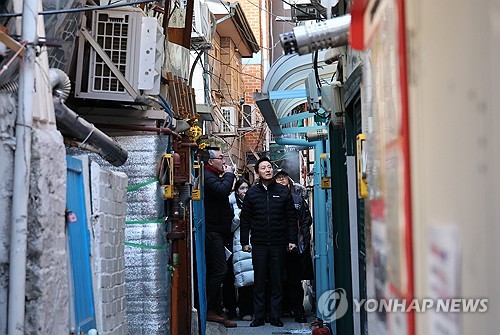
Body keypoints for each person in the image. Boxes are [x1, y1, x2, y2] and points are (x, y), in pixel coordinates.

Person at [240, 156, 297, 328]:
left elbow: (291, 218)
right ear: (257, 172)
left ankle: (275, 316)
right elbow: (245, 219)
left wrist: (292, 240)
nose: (268, 170)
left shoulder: (283, 191)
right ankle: (259, 316)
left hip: (279, 243)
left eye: (269, 167)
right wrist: (245, 241)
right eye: (263, 167)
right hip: (259, 244)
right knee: (259, 280)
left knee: (277, 281)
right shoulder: (252, 193)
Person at [274, 169, 313, 323]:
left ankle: (297, 310)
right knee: (277, 279)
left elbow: (305, 220)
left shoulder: (297, 199)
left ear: (289, 181)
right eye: (278, 178)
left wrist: (302, 239)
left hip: (295, 245)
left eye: (283, 178)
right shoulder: (270, 198)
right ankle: (280, 310)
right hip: (275, 245)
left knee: (294, 280)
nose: (281, 180)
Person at [203, 149, 237, 328]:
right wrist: (230, 174)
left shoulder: (214, 175)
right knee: (219, 270)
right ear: (210, 162)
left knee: (219, 270)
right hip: (212, 231)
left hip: (219, 231)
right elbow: (222, 191)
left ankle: (216, 309)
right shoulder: (208, 176)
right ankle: (209, 308)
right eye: (221, 158)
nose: (223, 161)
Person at [229, 179, 254, 321]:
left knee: (258, 278)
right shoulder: (231, 203)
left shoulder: (254, 201)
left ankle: (258, 310)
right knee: (243, 278)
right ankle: (245, 311)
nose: (245, 191)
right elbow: (229, 228)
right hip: (239, 244)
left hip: (256, 241)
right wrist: (238, 218)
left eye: (246, 188)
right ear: (236, 191)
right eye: (242, 188)